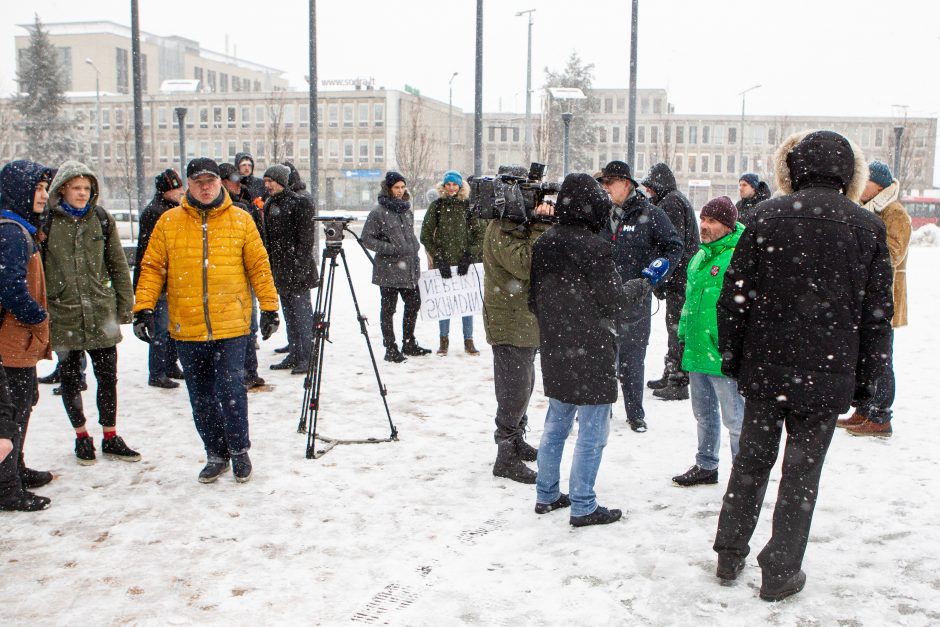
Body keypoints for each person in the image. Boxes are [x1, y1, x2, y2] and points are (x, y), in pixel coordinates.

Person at [712, 130, 893, 602]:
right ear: (849, 174)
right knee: (801, 475)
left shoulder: (764, 219)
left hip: (767, 369)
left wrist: (734, 357)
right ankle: (780, 569)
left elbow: (734, 299)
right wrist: (869, 382)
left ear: (792, 169)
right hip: (827, 374)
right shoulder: (867, 228)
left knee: (751, 463)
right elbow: (878, 316)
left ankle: (729, 553)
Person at [530, 172, 669, 526]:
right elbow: (616, 303)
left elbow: (534, 300)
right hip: (591, 347)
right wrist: (644, 283)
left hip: (555, 345)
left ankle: (546, 494)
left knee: (557, 422)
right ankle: (583, 504)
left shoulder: (544, 244)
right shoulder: (594, 248)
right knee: (592, 429)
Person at [133, 158, 280, 484]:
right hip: (188, 325)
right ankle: (216, 453)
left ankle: (239, 450)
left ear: (219, 183)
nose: (205, 186)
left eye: (210, 181)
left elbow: (259, 266)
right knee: (200, 394)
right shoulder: (169, 223)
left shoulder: (240, 220)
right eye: (198, 181)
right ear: (188, 185)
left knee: (231, 388)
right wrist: (142, 308)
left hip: (232, 324)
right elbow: (153, 268)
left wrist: (270, 308)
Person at [44, 161, 139, 465]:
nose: (82, 193)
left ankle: (110, 435)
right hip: (64, 313)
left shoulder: (101, 219)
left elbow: (118, 265)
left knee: (107, 377)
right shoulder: (47, 223)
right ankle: (81, 436)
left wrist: (125, 305)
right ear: (63, 190)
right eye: (76, 188)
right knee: (71, 379)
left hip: (100, 311)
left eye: (86, 188)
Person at [597, 161, 683, 433]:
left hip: (634, 300)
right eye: (603, 183)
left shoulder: (650, 213)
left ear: (626, 182)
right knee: (601, 358)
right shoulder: (599, 213)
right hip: (601, 299)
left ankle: (635, 413)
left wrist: (651, 277)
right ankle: (601, 410)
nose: (606, 188)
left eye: (610, 182)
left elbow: (674, 246)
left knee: (632, 360)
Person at [671, 196, 745, 487]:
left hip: (722, 352)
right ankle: (706, 464)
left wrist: (732, 344)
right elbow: (690, 303)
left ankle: (743, 475)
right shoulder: (699, 257)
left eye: (712, 221)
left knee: (735, 419)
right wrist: (682, 336)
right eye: (703, 219)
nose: (704, 225)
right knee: (703, 415)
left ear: (727, 226)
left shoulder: (737, 255)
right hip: (697, 349)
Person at [482, 195, 555, 484]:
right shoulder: (500, 230)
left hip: (522, 319)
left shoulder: (514, 227)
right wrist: (541, 228)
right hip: (509, 321)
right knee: (513, 389)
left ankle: (516, 439)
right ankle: (505, 455)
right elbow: (527, 264)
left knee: (523, 384)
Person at [838, 161, 911, 437]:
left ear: (878, 185)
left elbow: (892, 254)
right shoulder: (866, 210)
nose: (860, 187)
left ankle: (881, 416)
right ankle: (865, 409)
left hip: (886, 298)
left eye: (866, 182)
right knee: (866, 356)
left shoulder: (895, 213)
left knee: (881, 358)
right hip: (866, 297)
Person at [0, 160, 54, 511]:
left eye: (45, 188)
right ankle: (7, 486)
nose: (43, 195)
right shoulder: (11, 232)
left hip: (17, 338)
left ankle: (15, 469)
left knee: (23, 402)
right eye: (37, 188)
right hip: (12, 339)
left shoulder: (21, 229)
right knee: (12, 411)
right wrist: (38, 317)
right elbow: (9, 287)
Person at [641, 162, 700, 401]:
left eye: (651, 188)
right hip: (682, 276)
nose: (648, 192)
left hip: (678, 278)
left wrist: (663, 279)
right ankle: (672, 373)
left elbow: (671, 245)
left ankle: (677, 379)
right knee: (675, 327)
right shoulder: (676, 199)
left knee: (676, 328)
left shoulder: (670, 203)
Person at [361, 172, 431, 363]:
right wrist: (390, 249)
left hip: (409, 268)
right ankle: (390, 348)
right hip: (389, 269)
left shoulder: (406, 209)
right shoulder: (378, 212)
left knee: (413, 304)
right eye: (396, 188)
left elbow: (409, 234)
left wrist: (414, 246)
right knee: (388, 309)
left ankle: (408, 342)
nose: (400, 191)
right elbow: (366, 238)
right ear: (388, 189)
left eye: (402, 187)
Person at [420, 170, 485, 356]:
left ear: (460, 186)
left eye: (454, 185)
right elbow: (425, 234)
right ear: (443, 186)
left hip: (465, 262)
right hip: (444, 262)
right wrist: (437, 256)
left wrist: (469, 255)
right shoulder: (437, 206)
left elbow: (479, 234)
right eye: (448, 184)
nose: (451, 188)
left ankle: (468, 340)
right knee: (445, 304)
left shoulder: (468, 206)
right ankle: (444, 340)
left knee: (467, 304)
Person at [262, 164, 318, 375]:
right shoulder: (269, 204)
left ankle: (307, 356)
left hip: (297, 271)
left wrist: (299, 267)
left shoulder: (299, 203)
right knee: (289, 314)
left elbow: (306, 241)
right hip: (280, 270)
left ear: (282, 182)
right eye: (265, 181)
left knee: (302, 315)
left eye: (271, 181)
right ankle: (294, 352)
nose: (266, 185)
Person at [134, 168, 185, 389]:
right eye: (175, 188)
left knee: (173, 328)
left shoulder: (172, 210)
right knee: (161, 329)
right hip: (161, 281)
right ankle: (156, 371)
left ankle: (170, 364)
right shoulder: (156, 212)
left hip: (173, 279)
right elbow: (150, 252)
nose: (180, 192)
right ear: (165, 191)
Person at [220, 162, 266, 389]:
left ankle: (248, 371)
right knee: (241, 325)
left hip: (246, 271)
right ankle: (243, 372)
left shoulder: (246, 203)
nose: (238, 184)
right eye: (233, 180)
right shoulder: (235, 208)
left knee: (248, 322)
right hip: (231, 276)